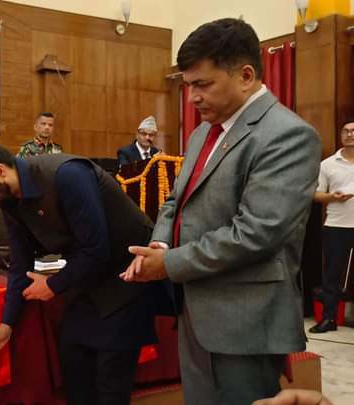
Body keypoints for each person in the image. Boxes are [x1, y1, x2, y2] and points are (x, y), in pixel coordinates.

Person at [121, 18, 321, 405]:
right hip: (196, 308)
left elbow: (256, 233)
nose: (192, 98)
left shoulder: (287, 135)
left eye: (203, 84)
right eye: (188, 85)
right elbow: (175, 201)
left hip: (244, 319)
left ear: (245, 76)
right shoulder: (203, 133)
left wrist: (169, 264)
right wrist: (160, 245)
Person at [0, 137, 169, 405]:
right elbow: (20, 265)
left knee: (110, 388)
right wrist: (7, 325)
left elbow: (96, 250)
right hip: (84, 281)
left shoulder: (67, 175)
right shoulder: (8, 200)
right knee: (75, 377)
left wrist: (52, 285)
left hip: (125, 279)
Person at [309, 121, 354, 333]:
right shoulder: (327, 164)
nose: (350, 134)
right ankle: (329, 319)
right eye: (346, 131)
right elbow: (316, 194)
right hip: (336, 226)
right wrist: (333, 197)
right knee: (331, 275)